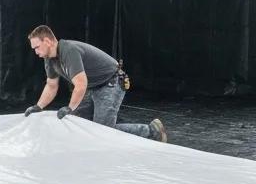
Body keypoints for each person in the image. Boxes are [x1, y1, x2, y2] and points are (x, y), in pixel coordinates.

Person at [23, 25, 167, 142]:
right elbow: (51, 85)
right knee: (77, 122)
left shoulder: (68, 51)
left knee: (101, 130)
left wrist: (70, 107)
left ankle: (152, 131)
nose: (35, 52)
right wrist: (38, 106)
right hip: (92, 87)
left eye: (36, 47)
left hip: (111, 82)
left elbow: (80, 83)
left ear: (47, 41)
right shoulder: (49, 59)